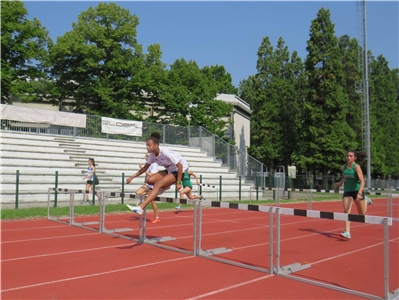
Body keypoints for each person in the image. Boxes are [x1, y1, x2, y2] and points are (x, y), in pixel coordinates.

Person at [125, 132, 189, 216]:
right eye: (146, 145)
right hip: (170, 169)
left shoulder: (165, 153)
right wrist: (132, 177)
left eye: (149, 145)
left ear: (156, 145)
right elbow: (144, 168)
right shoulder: (152, 156)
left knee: (157, 185)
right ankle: (165, 186)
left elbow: (180, 166)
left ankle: (140, 208)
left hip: (180, 169)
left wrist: (178, 182)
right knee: (149, 180)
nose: (147, 148)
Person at [334, 150, 367, 240]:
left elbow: (362, 181)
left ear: (355, 158)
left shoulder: (357, 167)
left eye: (351, 156)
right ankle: (347, 232)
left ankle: (366, 200)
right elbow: (345, 176)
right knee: (346, 211)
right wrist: (340, 182)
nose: (348, 157)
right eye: (347, 156)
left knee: (362, 215)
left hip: (357, 191)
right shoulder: (343, 167)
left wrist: (360, 193)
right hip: (347, 191)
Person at [135, 153, 161, 224]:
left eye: (147, 156)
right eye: (145, 156)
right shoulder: (146, 163)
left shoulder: (154, 164)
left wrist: (143, 170)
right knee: (138, 193)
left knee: (153, 202)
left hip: (154, 184)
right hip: (148, 184)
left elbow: (152, 175)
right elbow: (147, 174)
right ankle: (149, 194)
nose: (145, 157)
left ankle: (157, 218)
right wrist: (145, 179)